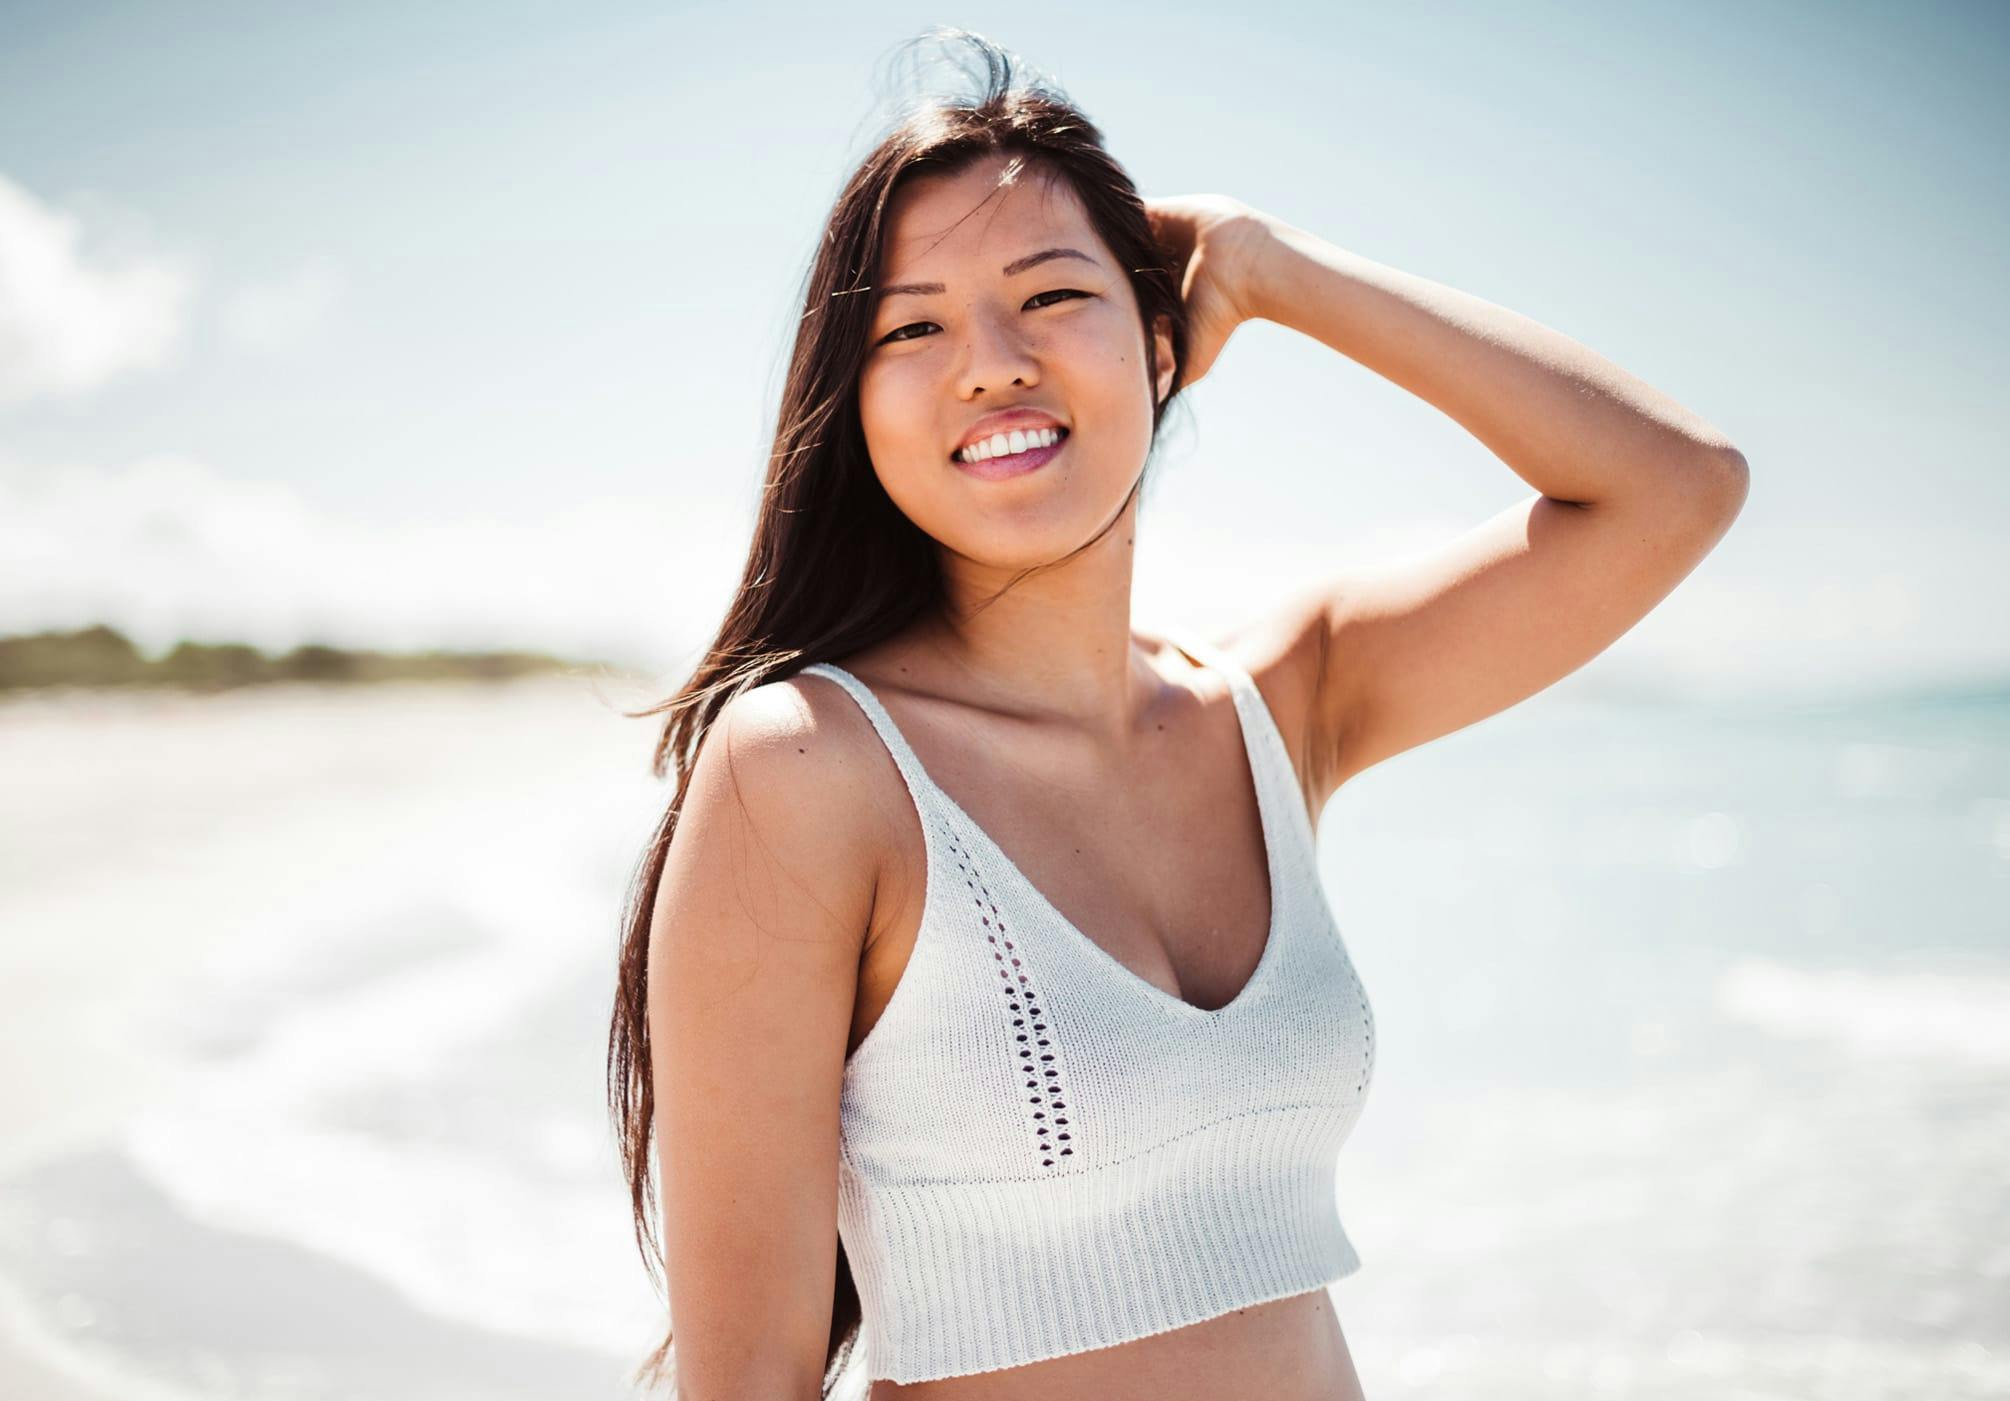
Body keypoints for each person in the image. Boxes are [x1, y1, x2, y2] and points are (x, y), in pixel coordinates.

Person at [607, 26, 1748, 1401]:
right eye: (911, 325)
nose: (988, 362)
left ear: (1159, 346)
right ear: (853, 408)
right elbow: (746, 1381)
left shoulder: (1280, 703)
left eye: (1049, 296)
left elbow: (1674, 486)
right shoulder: (807, 768)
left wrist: (1268, 268)